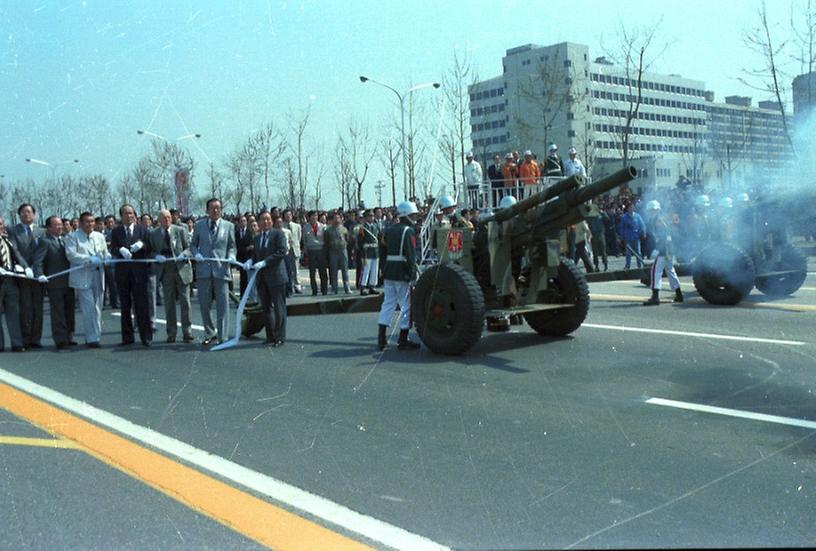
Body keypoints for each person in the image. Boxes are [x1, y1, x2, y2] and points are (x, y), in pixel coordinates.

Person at [191, 198, 237, 345]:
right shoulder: (199, 226)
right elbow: (192, 245)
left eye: (218, 208)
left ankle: (222, 336)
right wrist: (195, 253)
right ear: (207, 210)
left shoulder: (228, 226)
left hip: (221, 270)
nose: (215, 211)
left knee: (222, 305)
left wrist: (231, 255)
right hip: (203, 271)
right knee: (204, 305)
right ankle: (209, 333)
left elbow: (232, 245)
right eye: (212, 208)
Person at [377, 201, 421, 351]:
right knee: (406, 306)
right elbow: (410, 254)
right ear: (406, 215)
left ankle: (381, 337)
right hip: (402, 272)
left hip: (389, 270)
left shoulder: (389, 230)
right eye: (413, 215)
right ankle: (403, 339)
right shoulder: (408, 231)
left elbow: (382, 252)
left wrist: (383, 269)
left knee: (388, 303)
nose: (415, 217)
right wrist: (412, 274)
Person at [64, 212, 109, 348]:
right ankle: (92, 338)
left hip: (98, 274)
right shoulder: (73, 237)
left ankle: (96, 334)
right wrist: (88, 259)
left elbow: (104, 251)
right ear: (81, 223)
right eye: (87, 222)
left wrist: (107, 256)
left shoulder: (99, 236)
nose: (90, 224)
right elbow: (71, 255)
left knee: (98, 307)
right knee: (89, 307)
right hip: (83, 276)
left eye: (92, 222)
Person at [111, 204, 153, 347]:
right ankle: (127, 337)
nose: (129, 216)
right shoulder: (116, 232)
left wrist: (142, 245)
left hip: (139, 273)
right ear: (121, 216)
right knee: (125, 307)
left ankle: (146, 337)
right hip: (122, 274)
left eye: (131, 213)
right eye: (125, 213)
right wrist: (119, 250)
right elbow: (113, 249)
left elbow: (149, 246)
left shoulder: (142, 230)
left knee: (142, 306)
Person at [150, 209, 194, 343]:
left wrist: (184, 255)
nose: (167, 220)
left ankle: (187, 331)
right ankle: (171, 332)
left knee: (185, 302)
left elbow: (189, 247)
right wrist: (156, 256)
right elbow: (150, 251)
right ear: (159, 220)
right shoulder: (154, 234)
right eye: (164, 218)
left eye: (169, 217)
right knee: (169, 303)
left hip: (181, 269)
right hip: (166, 271)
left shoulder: (180, 230)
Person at [34, 215, 76, 349]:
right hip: (55, 282)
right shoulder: (45, 241)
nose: (60, 227)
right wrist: (40, 274)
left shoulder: (65, 240)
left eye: (60, 224)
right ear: (49, 227)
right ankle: (60, 339)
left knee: (69, 310)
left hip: (69, 280)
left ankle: (69, 336)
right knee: (58, 311)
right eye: (56, 225)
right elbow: (38, 261)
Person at [247, 211, 288, 346]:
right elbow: (256, 255)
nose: (266, 222)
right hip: (262, 278)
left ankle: (280, 337)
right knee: (266, 308)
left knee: (279, 308)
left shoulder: (278, 234)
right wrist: (250, 261)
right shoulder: (258, 238)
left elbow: (282, 251)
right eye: (263, 220)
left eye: (268, 219)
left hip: (276, 277)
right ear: (258, 222)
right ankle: (270, 336)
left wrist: (266, 262)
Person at [9, 203, 45, 349]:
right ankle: (26, 339)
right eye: (23, 212)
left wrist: (36, 269)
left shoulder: (41, 231)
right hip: (23, 276)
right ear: (19, 215)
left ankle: (36, 339)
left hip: (39, 275)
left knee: (38, 307)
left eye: (29, 212)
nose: (26, 215)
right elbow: (15, 250)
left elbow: (42, 252)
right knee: (25, 308)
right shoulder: (13, 230)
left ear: (34, 214)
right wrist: (25, 267)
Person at [642, 200, 683, 305]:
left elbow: (665, 236)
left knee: (655, 272)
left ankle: (655, 297)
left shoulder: (658, 220)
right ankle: (679, 294)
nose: (651, 212)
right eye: (651, 210)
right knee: (670, 272)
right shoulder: (659, 219)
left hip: (664, 250)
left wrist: (659, 250)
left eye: (653, 210)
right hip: (667, 250)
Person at [0, 216, 28, 352]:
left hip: (11, 280)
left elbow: (17, 255)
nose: (1, 226)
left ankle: (17, 343)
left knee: (14, 312)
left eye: (2, 224)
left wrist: (24, 267)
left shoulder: (7, 240)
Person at [302, 210, 328, 295]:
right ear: (309, 218)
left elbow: (326, 239)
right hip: (311, 250)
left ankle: (324, 290)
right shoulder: (305, 227)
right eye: (312, 216)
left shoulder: (322, 226)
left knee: (323, 271)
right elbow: (304, 240)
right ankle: (314, 290)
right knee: (312, 273)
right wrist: (305, 251)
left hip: (321, 250)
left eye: (316, 216)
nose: (314, 217)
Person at [324, 212, 351, 294]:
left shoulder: (344, 229)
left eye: (338, 218)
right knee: (333, 271)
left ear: (341, 219)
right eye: (335, 218)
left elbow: (347, 239)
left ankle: (347, 288)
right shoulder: (328, 230)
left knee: (345, 270)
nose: (337, 220)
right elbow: (326, 241)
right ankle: (334, 289)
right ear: (332, 220)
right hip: (333, 252)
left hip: (343, 251)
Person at [357, 209, 381, 295]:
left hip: (375, 251)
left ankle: (372, 286)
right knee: (366, 270)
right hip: (367, 252)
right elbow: (360, 241)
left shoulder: (375, 226)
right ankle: (363, 287)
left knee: (374, 269)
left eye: (372, 216)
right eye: (370, 216)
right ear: (366, 217)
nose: (372, 217)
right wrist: (362, 251)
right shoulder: (363, 228)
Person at [617, 202, 646, 269]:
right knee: (628, 253)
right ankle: (627, 266)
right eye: (630, 207)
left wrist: (644, 232)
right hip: (628, 237)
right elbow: (621, 228)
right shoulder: (624, 217)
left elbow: (642, 225)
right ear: (627, 209)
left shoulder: (637, 216)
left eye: (632, 207)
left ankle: (640, 266)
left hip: (636, 237)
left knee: (638, 252)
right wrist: (621, 237)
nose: (631, 208)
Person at [282, 209, 303, 294]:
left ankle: (297, 285)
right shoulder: (282, 226)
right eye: (286, 215)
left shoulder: (297, 226)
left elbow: (299, 237)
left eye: (290, 215)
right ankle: (289, 286)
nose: (288, 216)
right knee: (288, 269)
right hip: (286, 250)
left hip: (295, 249)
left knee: (296, 269)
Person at [235, 215, 254, 295]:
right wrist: (245, 249)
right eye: (241, 221)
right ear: (238, 223)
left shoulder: (250, 232)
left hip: (249, 258)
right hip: (240, 258)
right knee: (242, 278)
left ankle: (250, 296)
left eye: (245, 221)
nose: (243, 223)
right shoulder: (235, 233)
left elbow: (252, 245)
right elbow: (236, 246)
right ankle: (242, 296)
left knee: (249, 278)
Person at [102, 214, 119, 309]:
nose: (110, 224)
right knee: (104, 284)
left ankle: (115, 302)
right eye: (108, 222)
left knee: (114, 284)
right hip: (104, 261)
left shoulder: (117, 232)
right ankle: (103, 302)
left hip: (114, 261)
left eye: (112, 222)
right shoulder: (102, 234)